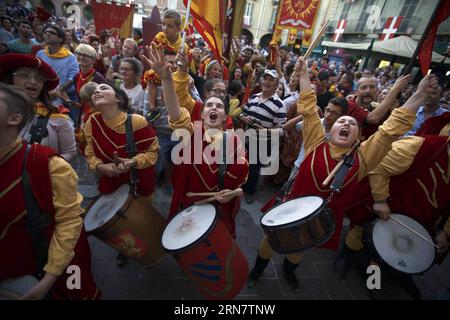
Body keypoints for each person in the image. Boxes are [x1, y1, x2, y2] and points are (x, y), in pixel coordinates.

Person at [247, 56, 440, 292]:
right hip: (289, 208)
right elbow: (308, 106)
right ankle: (256, 270)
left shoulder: (363, 157)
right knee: (269, 243)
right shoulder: (316, 141)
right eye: (342, 121)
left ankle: (288, 272)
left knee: (300, 250)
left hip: (317, 221)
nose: (346, 124)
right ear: (331, 128)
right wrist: (305, 75)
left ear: (358, 137)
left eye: (352, 123)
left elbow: (391, 129)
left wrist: (419, 95)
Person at [0, 83, 100, 299]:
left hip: (34, 272)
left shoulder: (51, 165)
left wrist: (49, 277)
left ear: (14, 118)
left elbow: (68, 222)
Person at [146, 43, 249, 238]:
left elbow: (241, 174)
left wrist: (232, 191)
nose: (214, 107)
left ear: (225, 115)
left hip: (216, 205)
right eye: (209, 104)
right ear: (201, 114)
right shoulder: (191, 131)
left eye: (219, 106)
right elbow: (175, 110)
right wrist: (167, 79)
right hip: (189, 198)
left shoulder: (234, 140)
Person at [84, 82, 160, 267]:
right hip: (112, 184)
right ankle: (127, 250)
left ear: (118, 98)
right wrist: (102, 168)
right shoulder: (91, 123)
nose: (97, 91)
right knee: (119, 226)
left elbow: (153, 152)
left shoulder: (136, 121)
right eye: (95, 91)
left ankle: (158, 246)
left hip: (139, 182)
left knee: (145, 222)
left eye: (103, 88)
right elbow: (90, 154)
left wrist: (132, 162)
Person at [0, 53, 77, 163]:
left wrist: (44, 168)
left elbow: (70, 153)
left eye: (39, 78)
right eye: (24, 75)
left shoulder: (59, 118)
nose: (33, 82)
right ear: (10, 78)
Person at [36, 24, 80, 123]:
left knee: (73, 120)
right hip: (45, 94)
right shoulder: (40, 54)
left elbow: (74, 76)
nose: (47, 34)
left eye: (51, 33)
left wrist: (58, 90)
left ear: (60, 39)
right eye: (46, 32)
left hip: (66, 94)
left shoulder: (70, 57)